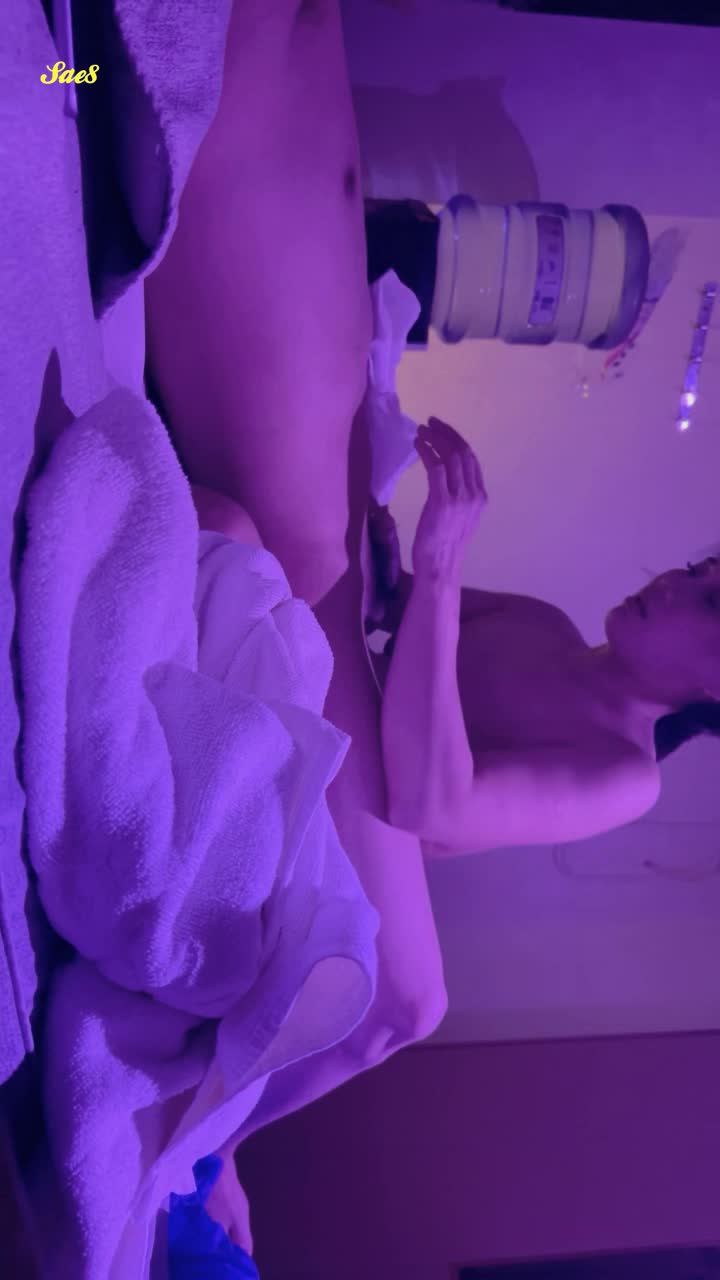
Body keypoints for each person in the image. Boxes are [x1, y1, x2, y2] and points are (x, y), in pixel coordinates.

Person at [365, 416, 720, 854]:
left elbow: (432, 808)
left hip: (332, 805)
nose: (671, 584)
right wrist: (381, 520)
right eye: (693, 571)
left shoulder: (628, 774)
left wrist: (441, 569)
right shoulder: (543, 621)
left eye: (711, 603)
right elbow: (388, 601)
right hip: (317, 688)